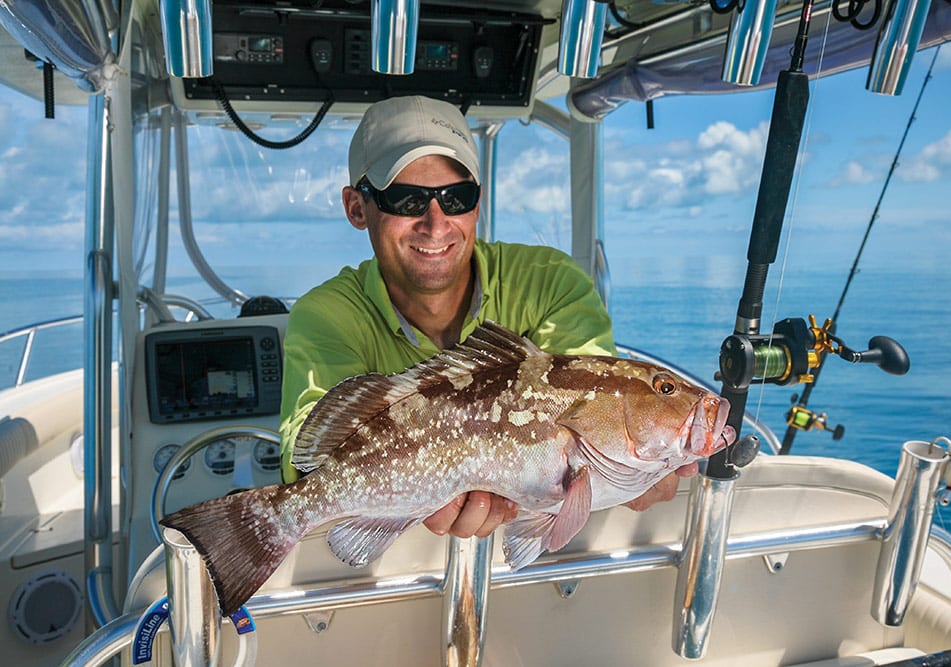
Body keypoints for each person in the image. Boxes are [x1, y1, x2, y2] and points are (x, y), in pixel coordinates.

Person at [279, 95, 696, 540]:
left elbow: (592, 406)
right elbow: (305, 464)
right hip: (396, 553)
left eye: (457, 197)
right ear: (357, 208)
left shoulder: (550, 283)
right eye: (405, 199)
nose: (435, 224)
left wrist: (636, 469)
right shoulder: (326, 314)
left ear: (478, 203)